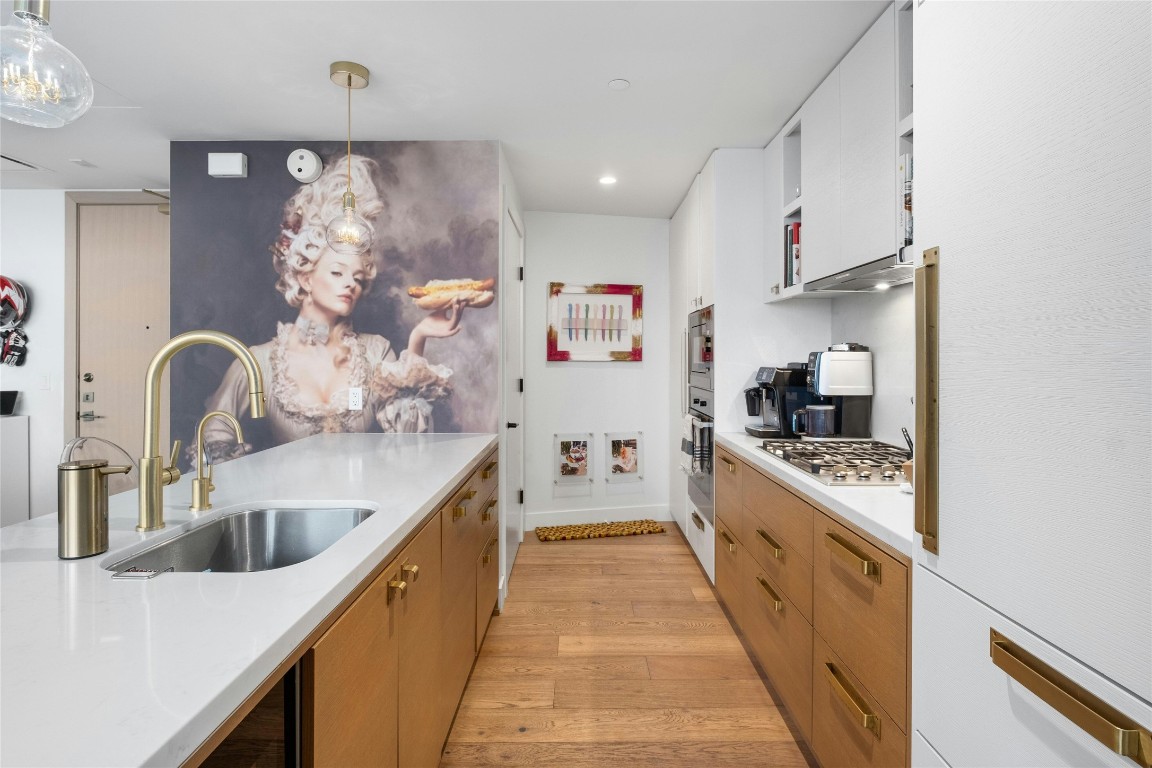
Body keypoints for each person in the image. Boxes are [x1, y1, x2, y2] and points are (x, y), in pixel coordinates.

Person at [199, 154, 471, 463]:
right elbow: (213, 434)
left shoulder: (375, 352)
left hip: (366, 492)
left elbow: (408, 437)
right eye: (337, 272)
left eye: (357, 277)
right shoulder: (258, 362)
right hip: (291, 494)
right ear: (305, 277)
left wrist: (418, 337)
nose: (350, 284)